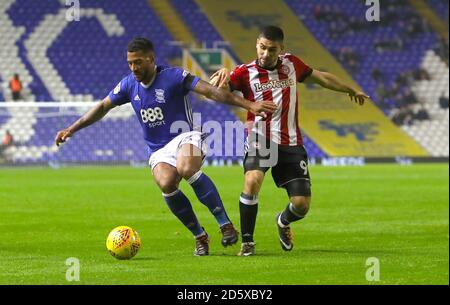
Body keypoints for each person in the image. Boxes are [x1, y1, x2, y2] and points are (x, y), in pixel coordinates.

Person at [54, 38, 277, 256]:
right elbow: (103, 106)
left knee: (187, 168)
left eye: (138, 62)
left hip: (186, 135)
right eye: (130, 63)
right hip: (158, 148)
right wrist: (71, 129)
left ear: (151, 59)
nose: (134, 68)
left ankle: (225, 224)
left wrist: (250, 104)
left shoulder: (174, 76)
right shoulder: (128, 84)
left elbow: (210, 91)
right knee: (166, 183)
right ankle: (199, 236)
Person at [210, 26, 369, 256]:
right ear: (257, 44)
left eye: (271, 50)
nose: (265, 54)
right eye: (262, 48)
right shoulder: (244, 72)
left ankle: (283, 221)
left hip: (291, 142)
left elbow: (322, 77)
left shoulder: (292, 64)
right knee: (252, 180)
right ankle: (247, 242)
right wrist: (222, 74)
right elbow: (218, 91)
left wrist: (349, 89)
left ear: (281, 49)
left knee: (301, 205)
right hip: (260, 137)